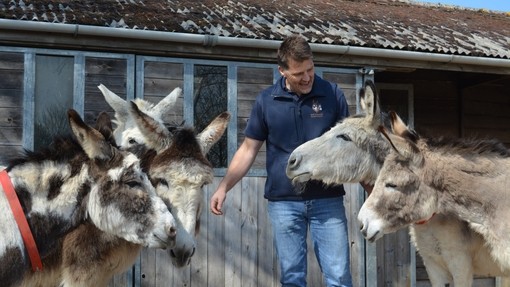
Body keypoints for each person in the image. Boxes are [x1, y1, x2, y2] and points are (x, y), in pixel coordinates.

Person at [210, 34, 353, 287]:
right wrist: (223, 186)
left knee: (339, 276)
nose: (307, 77)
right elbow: (248, 149)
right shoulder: (266, 101)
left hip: (327, 200)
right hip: (284, 203)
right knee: (292, 278)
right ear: (283, 71)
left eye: (310, 69)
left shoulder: (332, 95)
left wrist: (373, 187)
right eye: (299, 73)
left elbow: (353, 148)